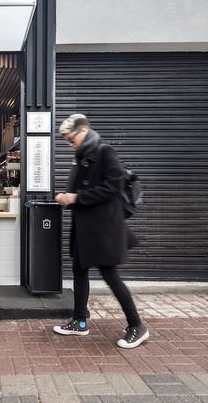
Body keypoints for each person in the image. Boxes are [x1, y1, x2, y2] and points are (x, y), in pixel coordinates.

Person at [54, 113, 148, 349]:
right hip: (85, 227)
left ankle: (137, 326)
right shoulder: (81, 156)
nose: (68, 142)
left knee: (110, 275)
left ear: (83, 132)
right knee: (79, 271)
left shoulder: (104, 152)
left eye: (70, 137)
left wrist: (76, 196)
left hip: (104, 228)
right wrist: (67, 198)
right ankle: (80, 321)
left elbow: (113, 187)